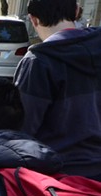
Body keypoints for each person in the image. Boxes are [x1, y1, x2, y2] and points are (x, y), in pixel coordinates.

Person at [14, 0, 101, 181]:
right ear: (76, 11)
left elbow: (23, 126)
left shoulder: (38, 61)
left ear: (33, 19)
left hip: (58, 176)